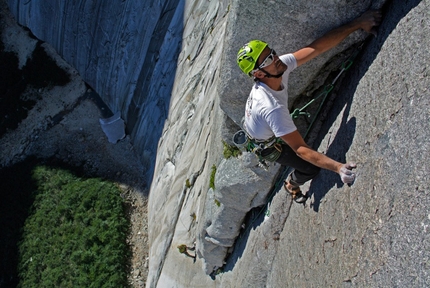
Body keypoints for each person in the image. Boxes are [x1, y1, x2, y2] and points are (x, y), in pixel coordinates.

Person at [237, 10, 382, 203]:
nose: (276, 57)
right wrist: (338, 167)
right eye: (268, 59)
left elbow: (317, 48)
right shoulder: (271, 107)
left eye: (271, 52)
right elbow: (300, 149)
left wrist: (357, 23)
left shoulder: (278, 67)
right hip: (267, 145)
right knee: (310, 168)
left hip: (262, 126)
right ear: (259, 74)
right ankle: (291, 185)